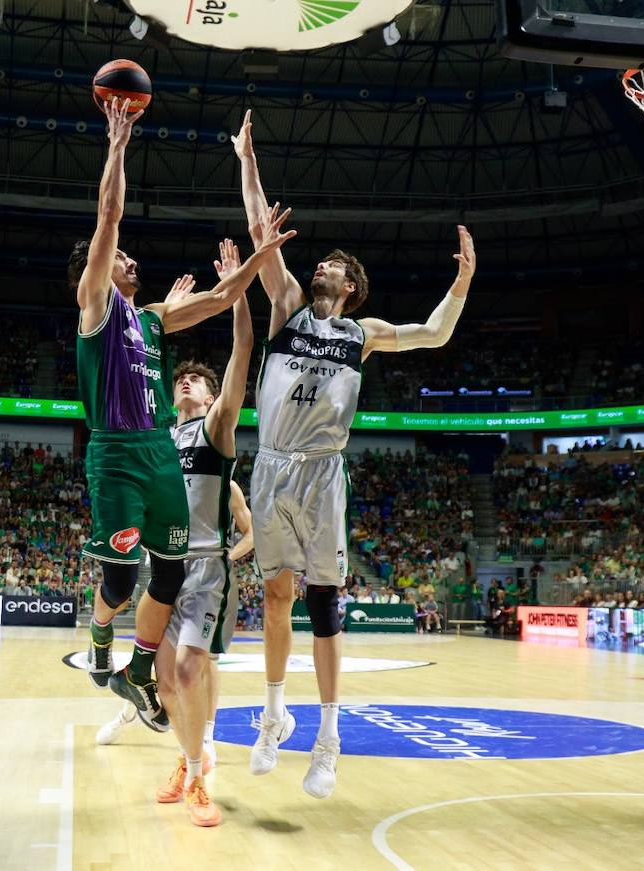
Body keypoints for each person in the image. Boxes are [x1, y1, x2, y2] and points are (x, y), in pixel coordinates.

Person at [235, 110, 478, 800]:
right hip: (271, 461)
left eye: (332, 266)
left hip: (322, 474)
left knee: (322, 603)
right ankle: (275, 712)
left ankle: (329, 739)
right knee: (275, 595)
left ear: (350, 285)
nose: (319, 267)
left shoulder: (360, 333)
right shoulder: (284, 307)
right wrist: (247, 160)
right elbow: (261, 230)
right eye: (319, 262)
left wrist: (461, 281)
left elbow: (433, 333)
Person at [69, 98, 294, 731]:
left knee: (170, 569)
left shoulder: (153, 318)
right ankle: (100, 637)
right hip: (114, 451)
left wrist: (260, 252)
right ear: (94, 269)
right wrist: (118, 144)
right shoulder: (95, 306)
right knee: (119, 581)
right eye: (119, 257)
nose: (129, 259)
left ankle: (139, 673)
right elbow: (109, 214)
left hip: (158, 452)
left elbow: (224, 298)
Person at [96, 268, 257, 826]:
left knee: (190, 671)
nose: (185, 381)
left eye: (196, 380)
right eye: (180, 378)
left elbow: (242, 353)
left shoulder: (217, 428)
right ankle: (189, 768)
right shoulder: (157, 435)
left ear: (213, 397)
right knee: (164, 683)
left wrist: (235, 296)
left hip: (207, 569)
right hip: (164, 568)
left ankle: (199, 778)